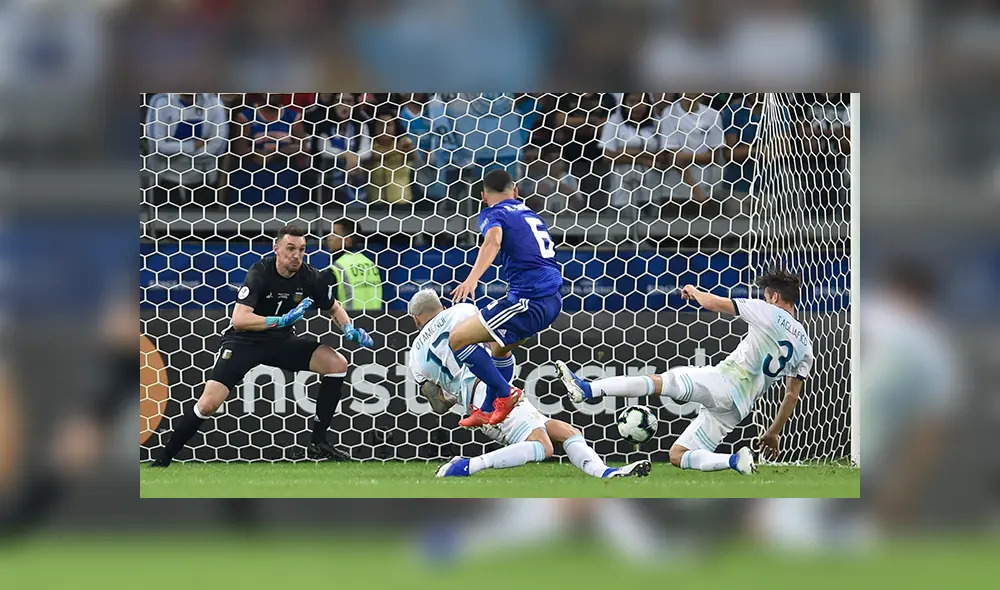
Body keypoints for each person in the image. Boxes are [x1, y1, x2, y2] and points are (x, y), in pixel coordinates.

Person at [150, 225, 375, 467]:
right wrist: (280, 321)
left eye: (301, 249)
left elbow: (334, 307)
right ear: (276, 248)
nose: (296, 255)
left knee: (337, 363)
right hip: (244, 341)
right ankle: (164, 458)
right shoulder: (260, 272)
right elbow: (240, 319)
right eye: (290, 249)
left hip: (281, 342)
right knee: (208, 404)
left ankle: (318, 442)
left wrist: (349, 329)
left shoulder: (310, 276)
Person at [556, 269, 815, 476]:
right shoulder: (806, 346)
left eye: (766, 295)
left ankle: (588, 389)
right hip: (740, 406)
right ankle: (736, 460)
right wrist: (774, 431)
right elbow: (792, 395)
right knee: (678, 454)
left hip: (724, 382)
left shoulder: (767, 310)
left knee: (660, 382)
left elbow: (714, 303)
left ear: (773, 297)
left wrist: (693, 291)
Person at [407, 289, 650, 479]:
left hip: (476, 401)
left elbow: (438, 406)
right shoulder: (461, 311)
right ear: (442, 306)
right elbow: (494, 341)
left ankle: (607, 473)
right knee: (542, 446)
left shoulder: (415, 355)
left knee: (565, 432)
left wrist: (453, 392)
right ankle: (464, 467)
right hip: (489, 390)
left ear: (417, 319)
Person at [449, 169, 563, 428]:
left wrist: (472, 278)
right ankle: (487, 409)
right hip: (551, 298)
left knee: (457, 339)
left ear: (483, 197)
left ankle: (505, 392)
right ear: (516, 191)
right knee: (500, 348)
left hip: (529, 299)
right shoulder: (528, 213)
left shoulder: (493, 213)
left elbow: (493, 241)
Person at [325, 218, 383, 312]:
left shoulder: (337, 267)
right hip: (375, 322)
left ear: (347, 241)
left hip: (348, 322)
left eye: (334, 234)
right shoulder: (370, 264)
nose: (329, 238)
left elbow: (327, 304)